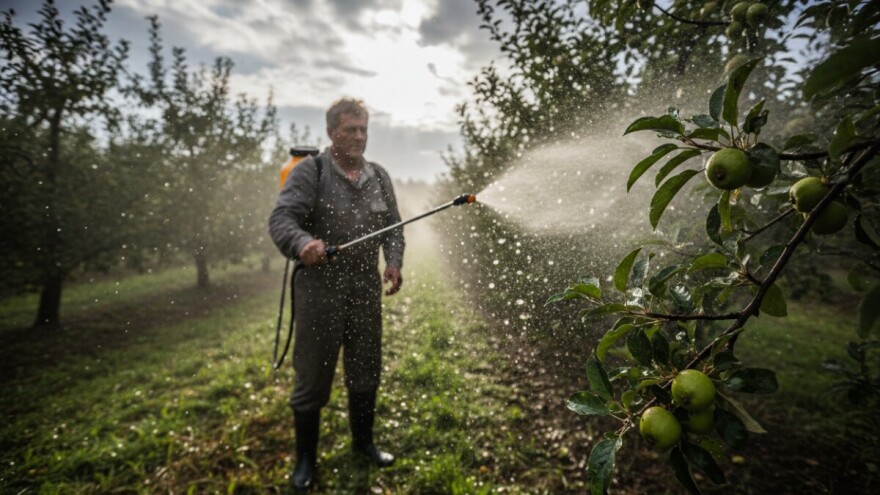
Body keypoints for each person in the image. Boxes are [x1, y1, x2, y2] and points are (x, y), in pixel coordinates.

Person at [268, 98, 404, 492]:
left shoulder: (379, 176)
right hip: (319, 292)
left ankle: (364, 444)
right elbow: (281, 219)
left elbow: (394, 227)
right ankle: (305, 461)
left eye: (363, 129)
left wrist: (393, 262)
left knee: (365, 370)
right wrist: (303, 243)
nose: (359, 136)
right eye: (350, 129)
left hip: (365, 291)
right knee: (313, 378)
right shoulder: (311, 171)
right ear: (332, 133)